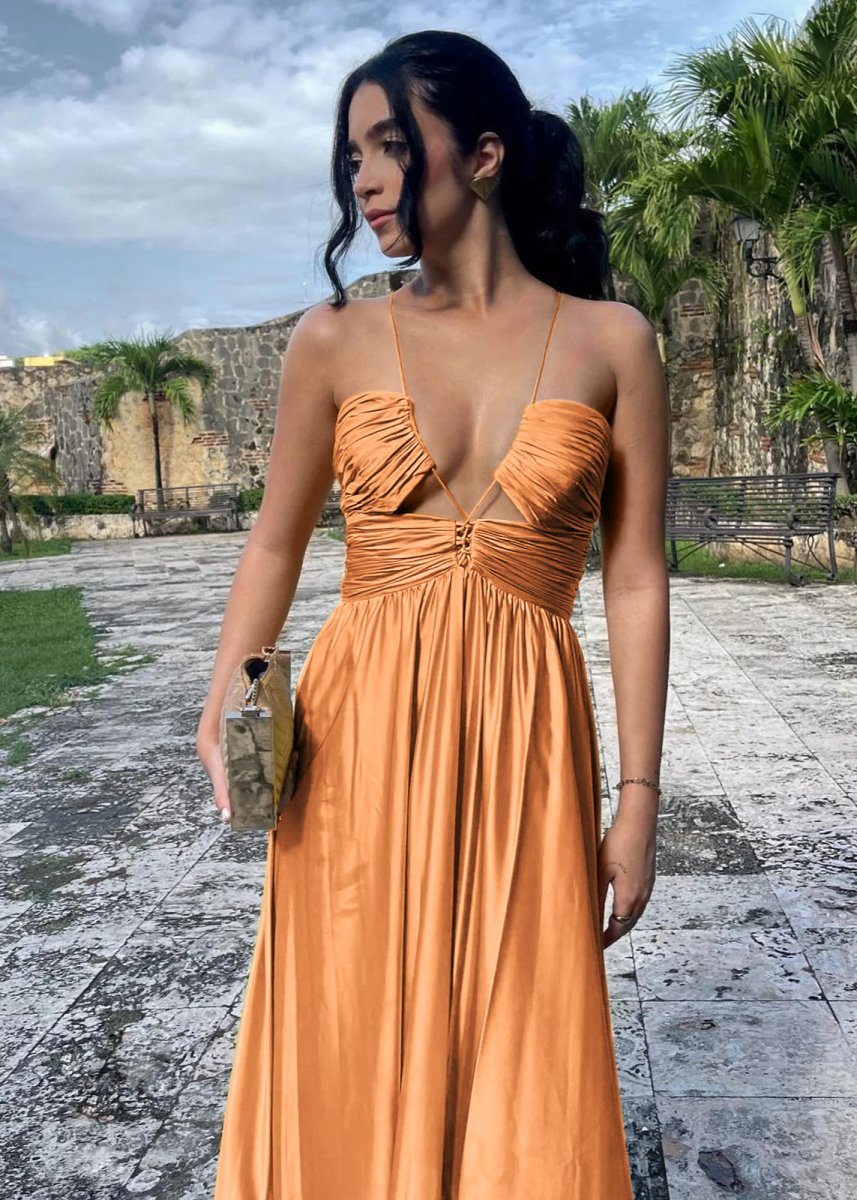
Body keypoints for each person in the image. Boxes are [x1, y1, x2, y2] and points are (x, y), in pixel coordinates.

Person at [197, 28, 669, 1200]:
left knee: (522, 1046)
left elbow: (634, 576)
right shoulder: (334, 340)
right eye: (350, 155)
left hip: (526, 743)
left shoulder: (612, 342)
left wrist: (638, 799)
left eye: (389, 145)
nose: (361, 179)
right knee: (349, 1023)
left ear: (486, 154)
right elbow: (275, 539)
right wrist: (223, 703)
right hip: (355, 741)